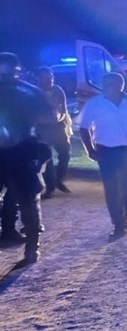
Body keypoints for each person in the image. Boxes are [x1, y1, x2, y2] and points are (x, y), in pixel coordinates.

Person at [77, 72, 127, 239]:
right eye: (105, 84)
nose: (106, 88)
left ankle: (124, 218)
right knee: (112, 188)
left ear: (120, 86)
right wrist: (90, 150)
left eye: (109, 84)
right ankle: (118, 223)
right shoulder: (95, 104)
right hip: (106, 150)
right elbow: (84, 128)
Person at [0, 52, 55, 265]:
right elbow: (48, 119)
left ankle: (32, 248)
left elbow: (48, 120)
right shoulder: (30, 92)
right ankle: (31, 248)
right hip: (21, 153)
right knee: (28, 202)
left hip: (22, 152)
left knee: (28, 201)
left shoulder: (29, 92)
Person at [34, 67, 72, 197]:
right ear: (37, 78)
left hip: (58, 127)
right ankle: (50, 188)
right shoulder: (33, 92)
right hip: (42, 128)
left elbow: (64, 109)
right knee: (47, 158)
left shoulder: (58, 90)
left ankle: (58, 180)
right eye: (45, 77)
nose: (49, 80)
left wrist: (64, 123)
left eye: (50, 77)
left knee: (65, 154)